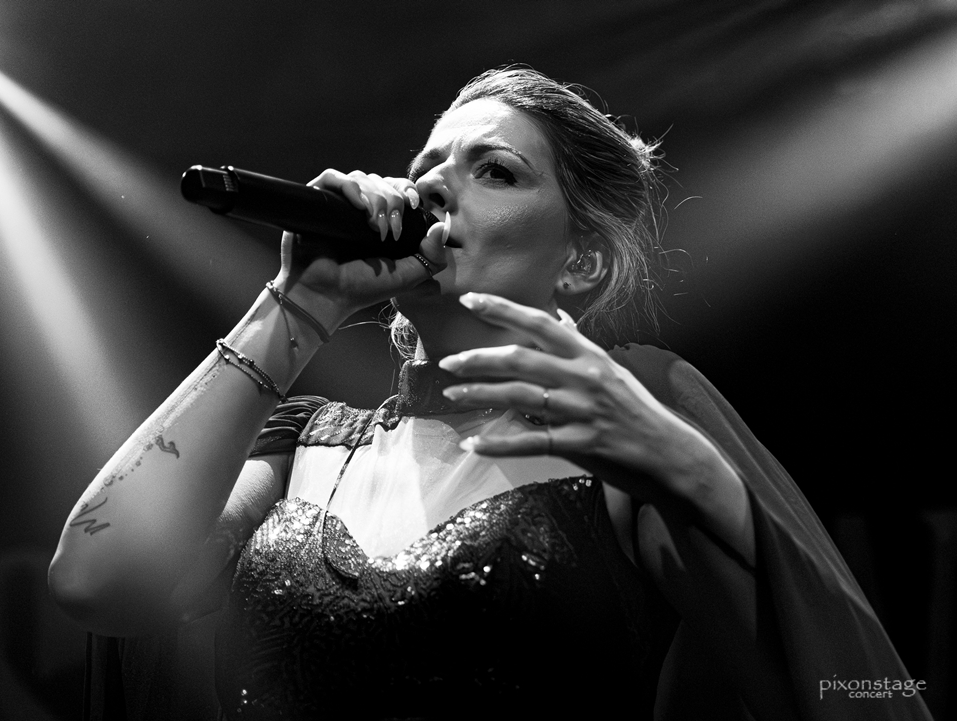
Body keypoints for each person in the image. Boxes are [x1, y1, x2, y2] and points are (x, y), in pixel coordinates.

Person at [49, 68, 931, 720]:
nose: (432, 185)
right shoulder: (305, 444)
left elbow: (835, 686)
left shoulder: (634, 407)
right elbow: (96, 582)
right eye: (427, 165)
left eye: (495, 170)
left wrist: (694, 476)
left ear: (581, 261)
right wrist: (296, 304)